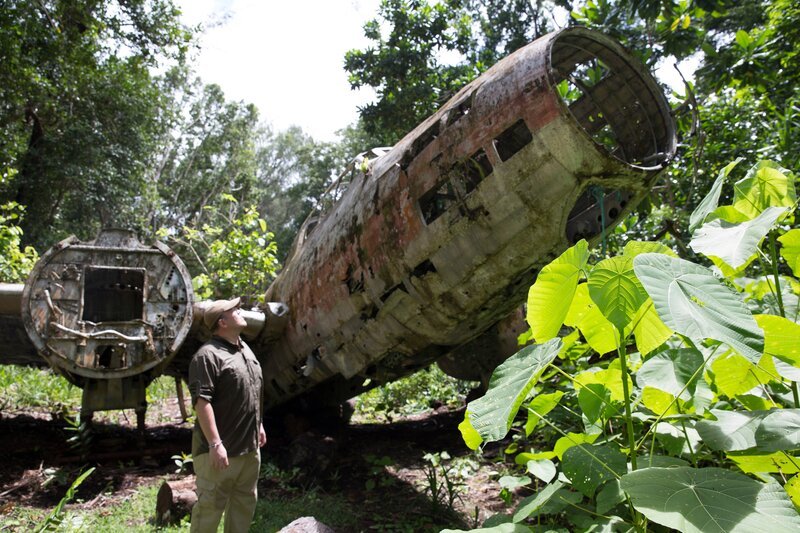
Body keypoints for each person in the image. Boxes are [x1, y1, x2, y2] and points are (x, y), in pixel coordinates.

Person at [188, 297, 267, 533]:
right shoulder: (207, 356)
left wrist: (259, 424)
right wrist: (215, 444)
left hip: (249, 449)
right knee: (209, 512)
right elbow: (202, 403)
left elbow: (250, 390)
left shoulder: (245, 349)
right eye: (235, 310)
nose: (240, 311)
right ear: (222, 322)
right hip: (219, 453)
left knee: (243, 508)